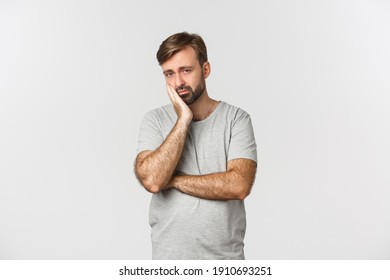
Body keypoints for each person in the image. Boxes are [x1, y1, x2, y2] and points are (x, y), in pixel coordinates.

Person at [134, 32, 257, 259]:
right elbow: (153, 181)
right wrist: (183, 119)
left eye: (186, 70)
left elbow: (239, 185)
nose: (178, 82)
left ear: (206, 69)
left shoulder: (236, 119)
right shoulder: (155, 120)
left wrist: (174, 180)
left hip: (225, 263)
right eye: (169, 74)